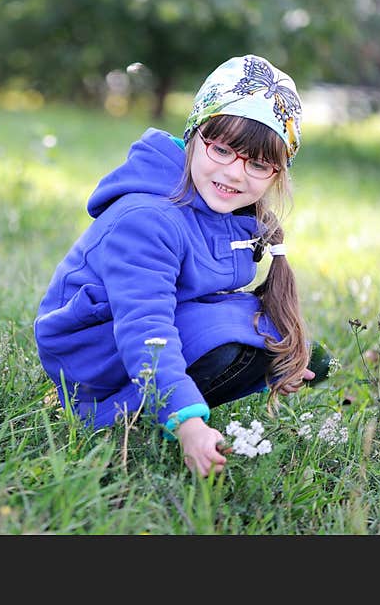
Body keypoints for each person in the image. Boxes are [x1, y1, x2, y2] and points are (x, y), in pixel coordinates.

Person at [34, 54, 327, 478]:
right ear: (194, 134)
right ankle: (116, 413)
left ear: (277, 174)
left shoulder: (224, 209)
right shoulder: (147, 220)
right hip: (96, 356)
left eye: (258, 164)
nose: (234, 173)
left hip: (149, 328)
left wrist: (275, 353)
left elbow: (208, 294)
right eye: (222, 149)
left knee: (298, 347)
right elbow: (145, 326)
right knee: (231, 346)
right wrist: (188, 423)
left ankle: (240, 369)